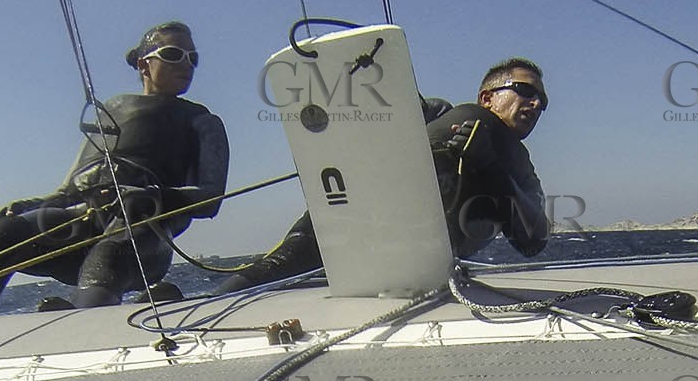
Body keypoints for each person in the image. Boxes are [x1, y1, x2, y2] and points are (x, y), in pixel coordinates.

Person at [0, 22, 228, 318]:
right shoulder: (111, 111)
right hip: (80, 224)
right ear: (143, 64)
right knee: (9, 231)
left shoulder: (203, 121)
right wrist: (33, 206)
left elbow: (210, 198)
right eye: (174, 54)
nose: (187, 64)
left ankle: (85, 321)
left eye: (193, 58)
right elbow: (67, 190)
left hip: (144, 234)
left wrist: (152, 197)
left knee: (112, 249)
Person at [212, 58, 548, 294]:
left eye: (542, 101)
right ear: (487, 96)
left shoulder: (520, 168)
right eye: (525, 91)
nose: (535, 104)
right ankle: (209, 302)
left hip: (415, 268)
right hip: (341, 230)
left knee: (280, 266)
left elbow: (534, 241)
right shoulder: (444, 113)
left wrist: (491, 167)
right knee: (278, 265)